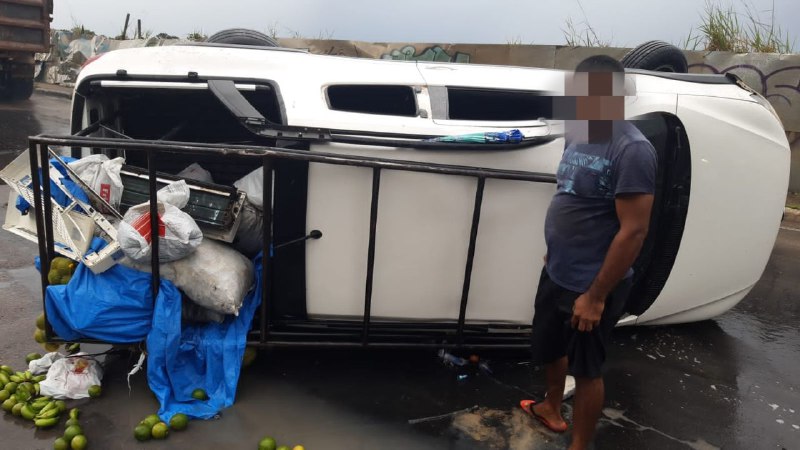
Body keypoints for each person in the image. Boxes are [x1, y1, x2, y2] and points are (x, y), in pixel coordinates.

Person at [520, 55, 657, 450]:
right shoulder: (579, 130)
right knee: (548, 347)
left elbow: (634, 230)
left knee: (587, 369)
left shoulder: (633, 150)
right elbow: (571, 194)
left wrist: (596, 296)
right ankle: (550, 407)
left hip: (592, 284)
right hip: (558, 270)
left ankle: (581, 445)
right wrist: (555, 252)